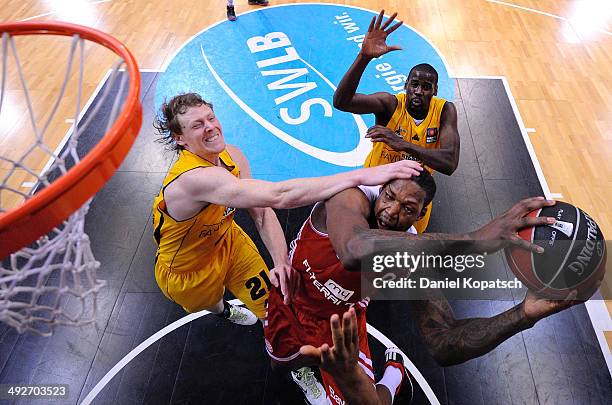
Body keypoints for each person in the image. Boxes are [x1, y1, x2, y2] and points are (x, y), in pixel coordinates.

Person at [265, 169, 583, 404]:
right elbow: (353, 250)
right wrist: (475, 239)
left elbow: (444, 344)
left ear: (421, 213)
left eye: (408, 209)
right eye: (390, 197)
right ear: (381, 188)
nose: (391, 212)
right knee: (282, 362)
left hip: (341, 325)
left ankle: (393, 376)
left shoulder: (412, 253)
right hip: (291, 299)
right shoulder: (349, 196)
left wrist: (523, 315)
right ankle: (303, 369)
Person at [151, 92, 421, 328]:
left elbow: (263, 211)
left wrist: (281, 262)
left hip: (229, 242)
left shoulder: (231, 155)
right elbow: (280, 196)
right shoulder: (192, 179)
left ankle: (290, 357)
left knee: (274, 305)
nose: (210, 127)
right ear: (180, 139)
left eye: (211, 117)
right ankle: (224, 310)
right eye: (198, 125)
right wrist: (361, 176)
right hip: (188, 269)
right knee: (209, 302)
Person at [333, 10, 460, 234]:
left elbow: (450, 163)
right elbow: (342, 102)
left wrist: (402, 144)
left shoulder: (444, 111)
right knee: (358, 237)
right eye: (414, 84)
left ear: (435, 90)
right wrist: (363, 57)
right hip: (375, 186)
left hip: (412, 194)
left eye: (426, 87)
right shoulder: (390, 104)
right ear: (406, 85)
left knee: (399, 251)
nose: (418, 91)